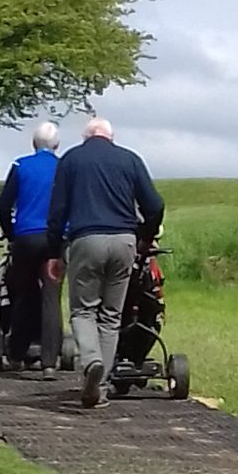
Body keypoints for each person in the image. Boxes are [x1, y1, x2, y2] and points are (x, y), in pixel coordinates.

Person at [46, 118, 164, 407]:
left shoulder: (71, 159)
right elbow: (155, 205)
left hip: (86, 239)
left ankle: (91, 362)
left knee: (83, 311)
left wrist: (53, 251)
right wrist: (144, 238)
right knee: (111, 316)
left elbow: (58, 210)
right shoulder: (130, 159)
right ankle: (99, 386)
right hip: (124, 241)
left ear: (86, 137)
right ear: (111, 137)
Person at [0, 121, 62, 379]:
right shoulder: (62, 167)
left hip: (25, 237)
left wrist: (10, 235)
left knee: (24, 293)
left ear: (34, 143)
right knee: (51, 297)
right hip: (54, 239)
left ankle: (17, 352)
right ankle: (49, 361)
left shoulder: (20, 165)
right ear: (56, 145)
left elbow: (4, 205)